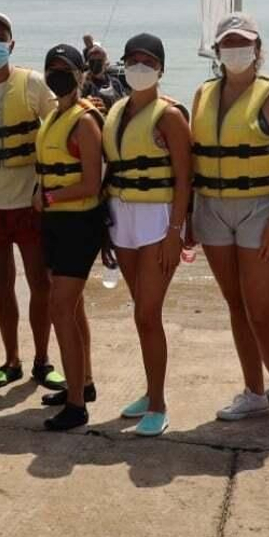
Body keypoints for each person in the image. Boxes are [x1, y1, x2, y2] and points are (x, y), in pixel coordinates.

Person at [193, 13, 269, 440]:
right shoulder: (203, 93)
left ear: (258, 49)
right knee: (236, 304)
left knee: (263, 309)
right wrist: (187, 217)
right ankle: (253, 392)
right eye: (227, 43)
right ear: (217, 50)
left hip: (260, 208)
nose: (235, 50)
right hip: (213, 208)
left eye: (243, 43)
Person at [0, 11, 63, 392]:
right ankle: (11, 359)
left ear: (12, 44)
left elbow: (60, 132)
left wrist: (49, 190)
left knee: (41, 282)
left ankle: (43, 359)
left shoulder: (33, 84)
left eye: (0, 36)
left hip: (30, 201)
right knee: (1, 282)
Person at [104, 33, 192, 437]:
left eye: (148, 61)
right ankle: (149, 390)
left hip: (158, 219)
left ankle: (159, 404)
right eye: (133, 60)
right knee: (141, 312)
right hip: (122, 218)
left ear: (160, 68)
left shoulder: (170, 115)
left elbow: (184, 178)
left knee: (148, 313)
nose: (140, 67)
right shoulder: (115, 110)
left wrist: (177, 231)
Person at [33, 44, 107, 431]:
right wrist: (42, 194)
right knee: (72, 307)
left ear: (81, 74)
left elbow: (92, 183)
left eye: (65, 68)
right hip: (55, 223)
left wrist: (50, 196)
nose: (57, 74)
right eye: (52, 68)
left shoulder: (84, 120)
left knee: (60, 307)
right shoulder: (53, 116)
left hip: (80, 223)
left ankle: (76, 406)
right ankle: (84, 383)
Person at [80, 38, 129, 110]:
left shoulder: (115, 83)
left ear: (105, 63)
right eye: (92, 61)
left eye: (99, 61)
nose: (96, 63)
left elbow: (124, 103)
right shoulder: (84, 84)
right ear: (88, 63)